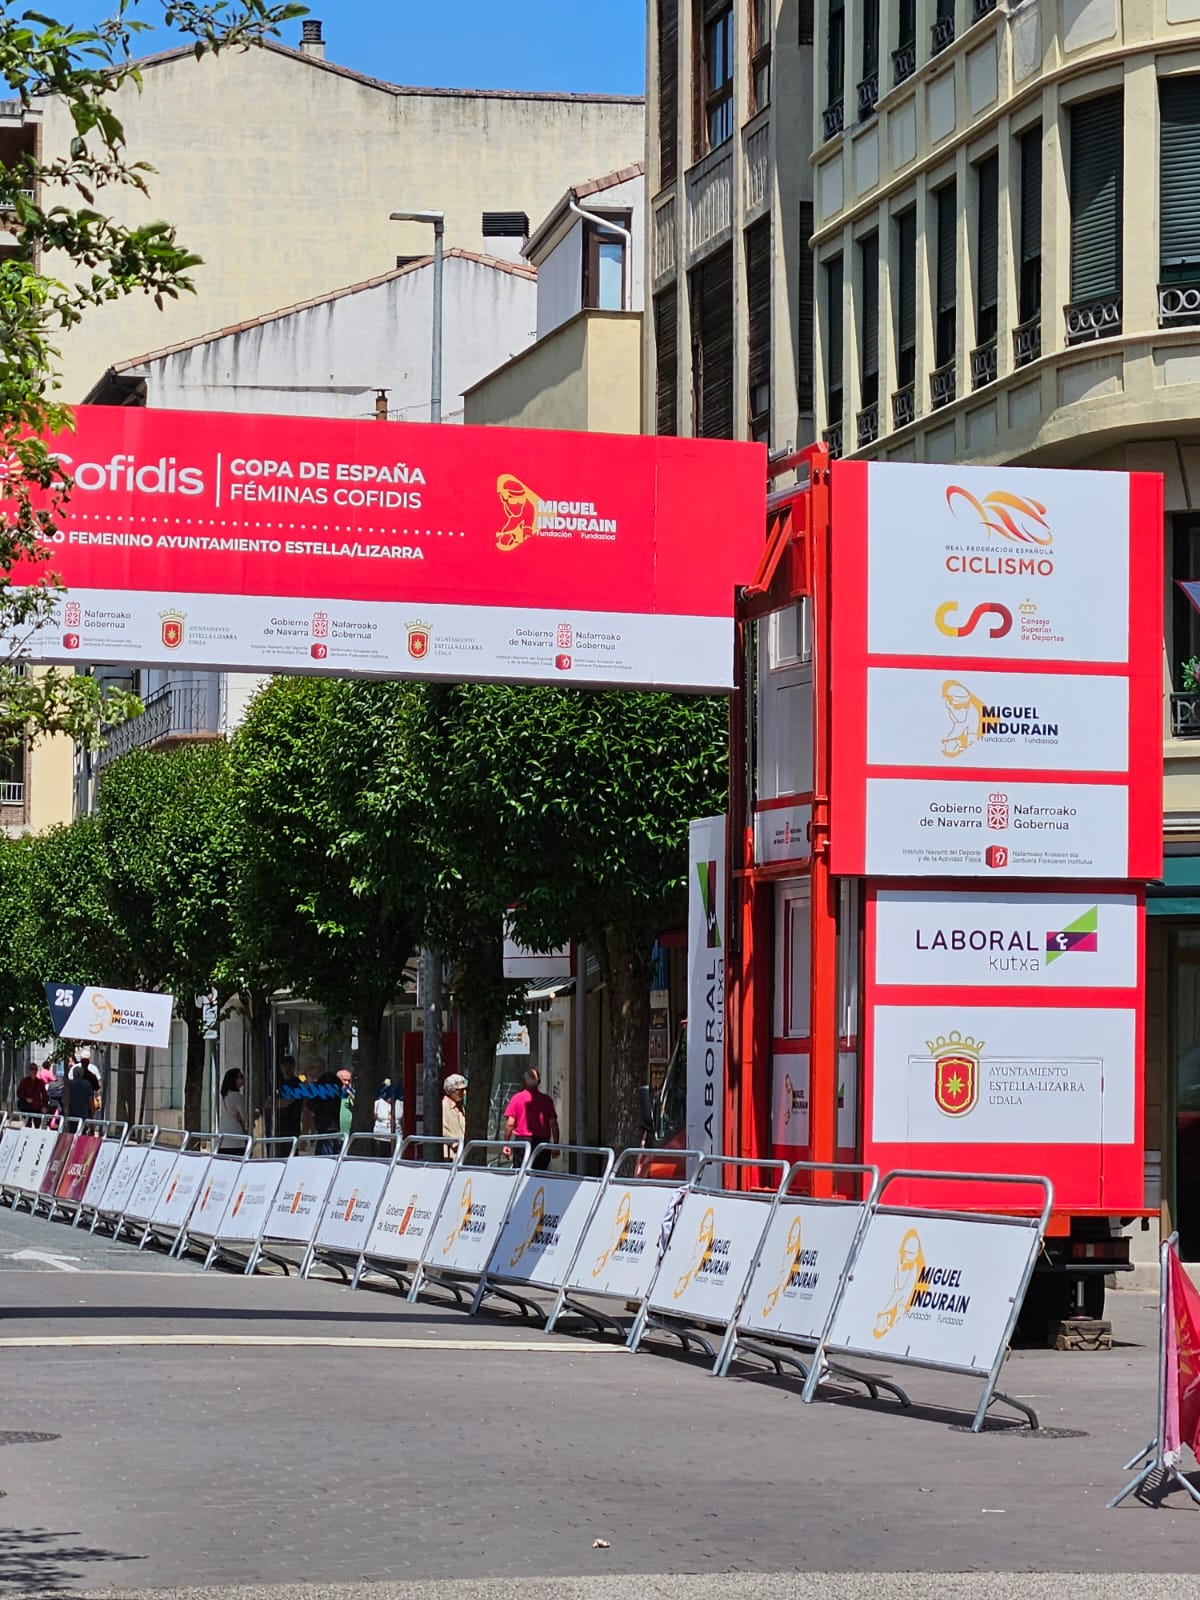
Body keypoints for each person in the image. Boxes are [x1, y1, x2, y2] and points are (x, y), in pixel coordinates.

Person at [502, 1067, 559, 1171]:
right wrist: (555, 1145)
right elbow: (553, 1124)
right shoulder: (547, 1100)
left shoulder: (517, 1099)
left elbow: (510, 1124)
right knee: (540, 1176)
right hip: (542, 1145)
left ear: (524, 1082)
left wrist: (506, 1143)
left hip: (522, 1144)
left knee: (521, 1174)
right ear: (539, 1082)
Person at [312, 1066, 350, 1156]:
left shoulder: (323, 1093)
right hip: (334, 1129)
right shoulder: (337, 1095)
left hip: (326, 1128)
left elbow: (310, 1106)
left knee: (325, 1156)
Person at [217, 1067, 248, 1153]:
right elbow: (245, 1118)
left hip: (223, 1140)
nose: (244, 1078)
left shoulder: (225, 1096)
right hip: (236, 1140)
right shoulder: (236, 1097)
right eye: (241, 1076)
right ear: (234, 1080)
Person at [276, 1055, 305, 1142]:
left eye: (290, 1065)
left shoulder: (297, 1083)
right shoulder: (278, 1083)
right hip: (279, 1124)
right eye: (285, 1066)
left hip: (293, 1124)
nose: (287, 1068)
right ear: (281, 1067)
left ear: (294, 1067)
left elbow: (290, 1101)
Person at [441, 1073, 467, 1159]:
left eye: (464, 1089)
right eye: (460, 1090)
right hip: (450, 1154)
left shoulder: (461, 1107)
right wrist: (456, 1143)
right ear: (451, 1090)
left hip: (462, 1152)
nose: (464, 1093)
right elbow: (442, 1130)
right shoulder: (443, 1105)